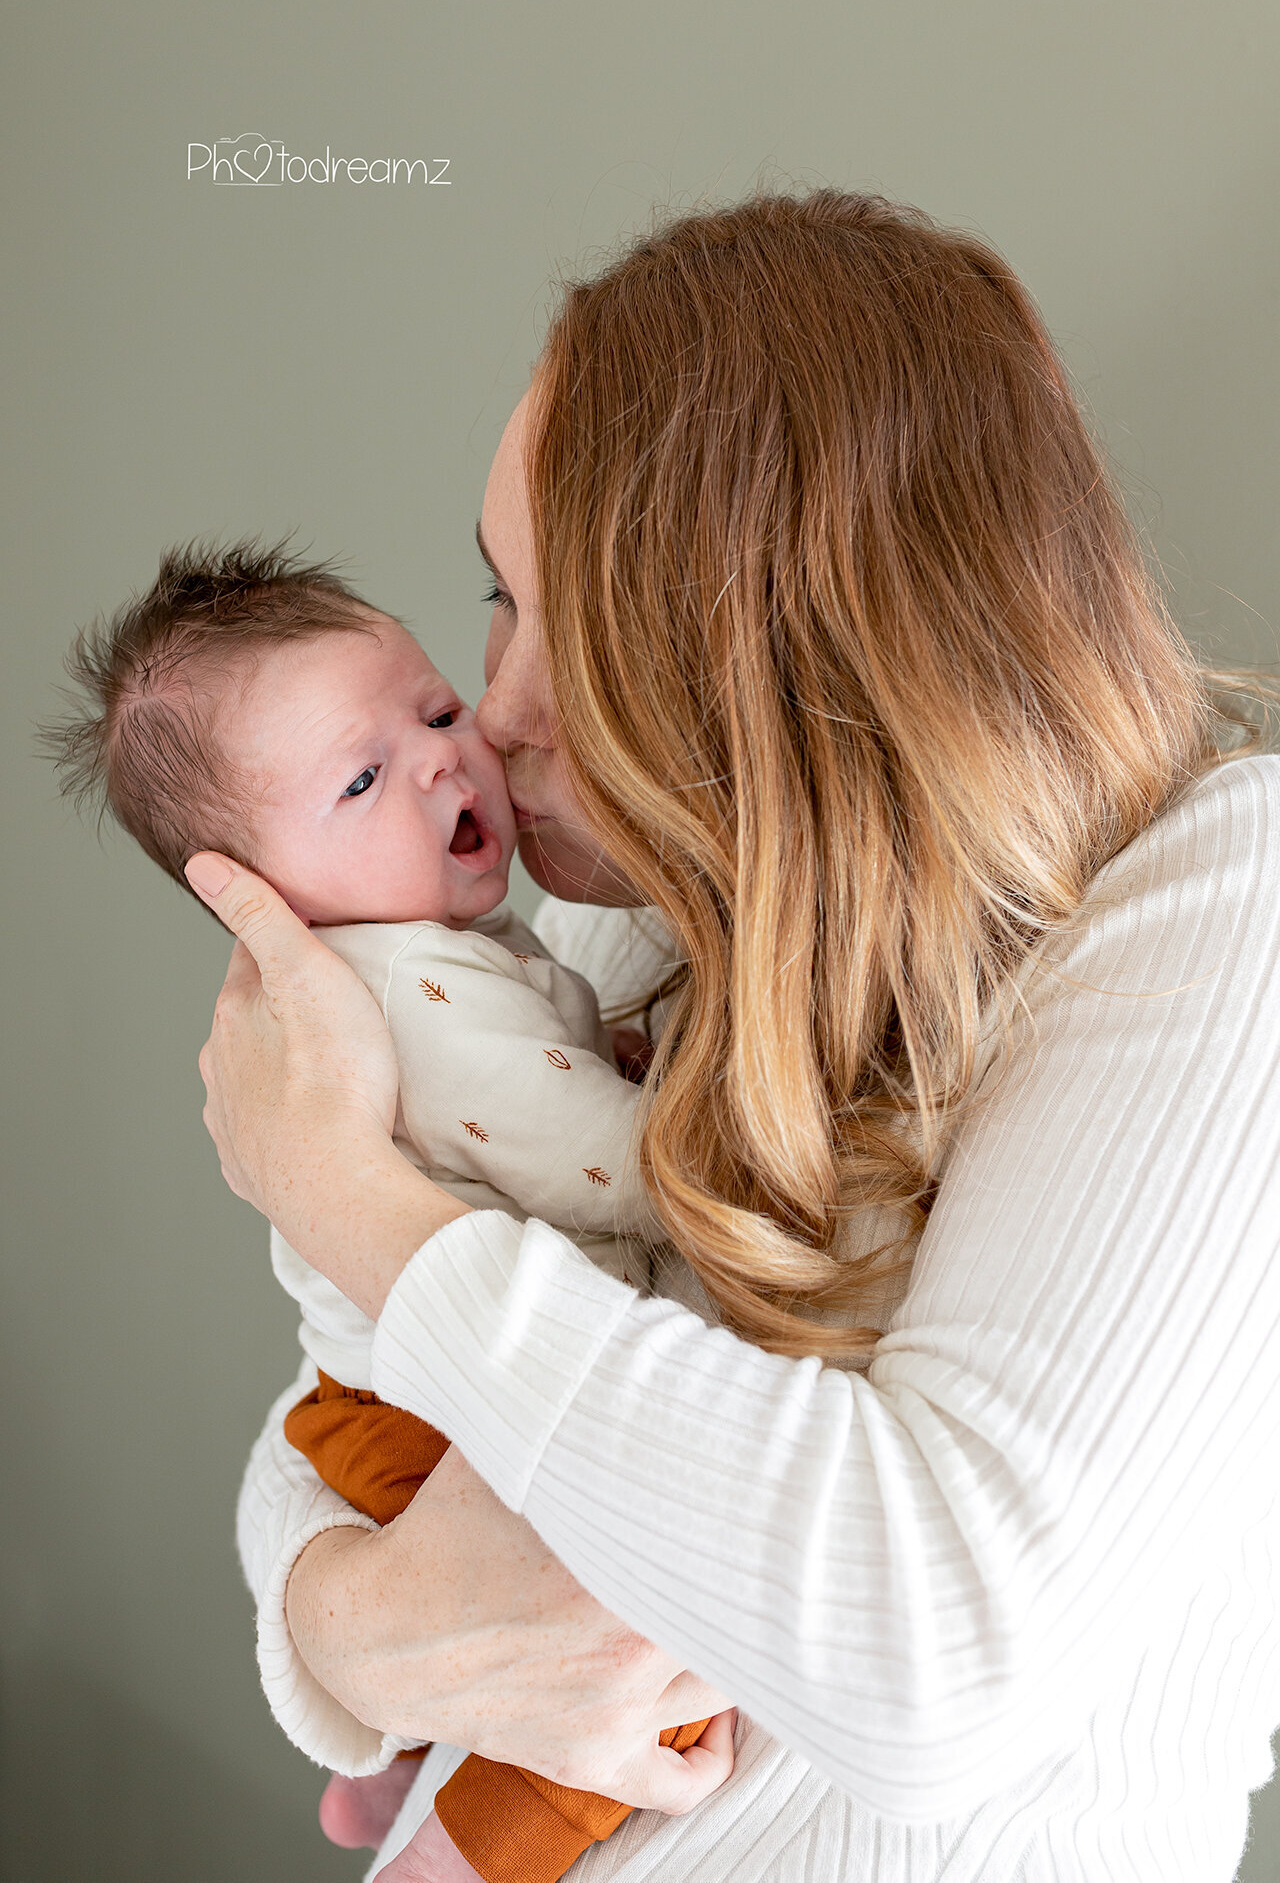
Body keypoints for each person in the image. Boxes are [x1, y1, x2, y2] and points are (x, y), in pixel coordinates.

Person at [195, 191, 1280, 1882]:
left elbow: (931, 1664)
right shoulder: (654, 914)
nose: (499, 713)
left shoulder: (1223, 908)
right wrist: (357, 1622)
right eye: (500, 597)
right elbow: (335, 1435)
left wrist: (326, 1178)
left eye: (597, 634)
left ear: (801, 650)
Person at [41, 544, 712, 1883]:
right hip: (419, 1416)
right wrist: (723, 1124)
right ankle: (443, 1861)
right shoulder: (417, 995)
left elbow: (543, 1100)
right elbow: (619, 1171)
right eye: (359, 779)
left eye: (434, 711)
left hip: (368, 1397)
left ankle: (387, 1778)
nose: (440, 760)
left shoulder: (438, 946)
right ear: (256, 896)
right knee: (635, 1670)